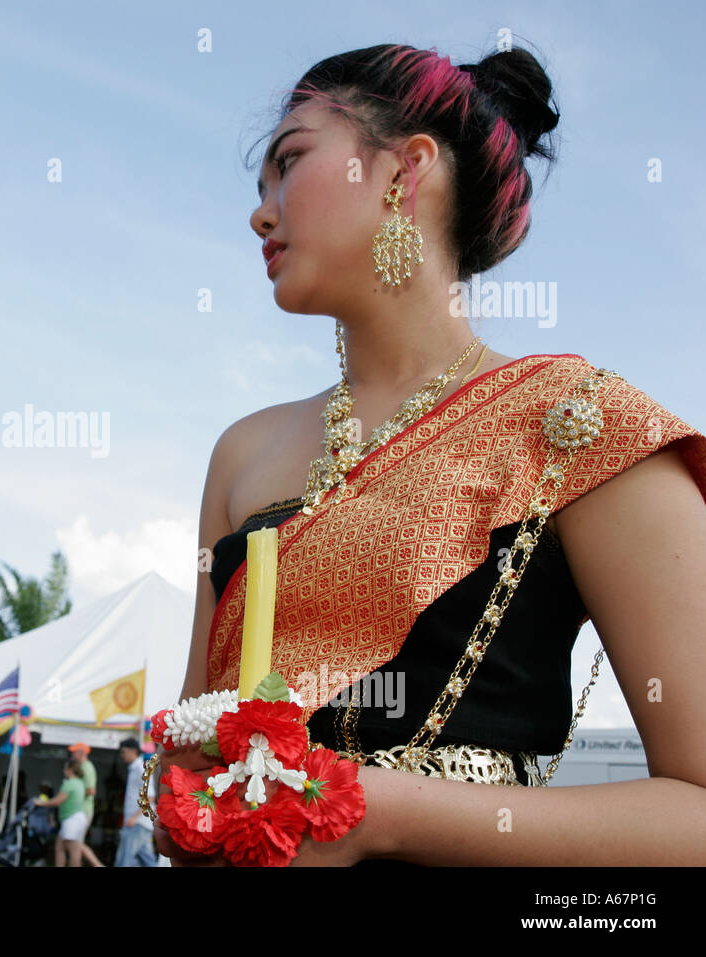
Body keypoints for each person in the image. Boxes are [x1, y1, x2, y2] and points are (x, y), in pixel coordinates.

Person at [157, 41, 706, 868]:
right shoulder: (244, 454)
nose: (261, 212)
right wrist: (187, 804)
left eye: (289, 161)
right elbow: (192, 754)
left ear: (404, 170)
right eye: (260, 187)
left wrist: (384, 811)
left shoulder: (576, 423)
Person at [35, 759, 103, 867]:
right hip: (75, 819)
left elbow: (58, 800)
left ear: (70, 770)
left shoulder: (69, 783)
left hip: (72, 820)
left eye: (65, 768)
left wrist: (41, 803)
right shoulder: (80, 782)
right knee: (60, 847)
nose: (64, 770)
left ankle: (98, 865)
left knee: (74, 850)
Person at [114, 738, 156, 867]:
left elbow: (151, 797)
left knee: (124, 860)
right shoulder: (135, 769)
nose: (122, 756)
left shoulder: (140, 769)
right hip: (139, 823)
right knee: (147, 861)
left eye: (124, 752)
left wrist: (133, 818)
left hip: (137, 824)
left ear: (133, 751)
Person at [67, 742, 102, 866]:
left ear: (81, 753)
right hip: (81, 810)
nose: (72, 754)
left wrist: (73, 794)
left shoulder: (87, 767)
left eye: (74, 752)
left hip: (84, 810)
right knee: (75, 844)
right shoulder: (84, 766)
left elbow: (92, 790)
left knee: (76, 844)